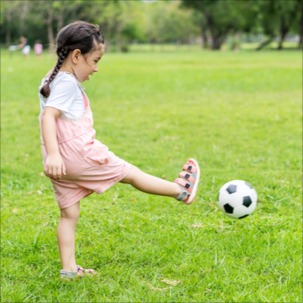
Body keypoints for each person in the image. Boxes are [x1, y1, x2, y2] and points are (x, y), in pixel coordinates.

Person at [39, 20, 200, 279]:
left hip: (58, 162)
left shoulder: (51, 77)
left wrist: (54, 156)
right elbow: (49, 116)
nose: (97, 69)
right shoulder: (67, 83)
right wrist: (57, 155)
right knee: (132, 174)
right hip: (78, 153)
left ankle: (69, 270)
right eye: (95, 60)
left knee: (69, 214)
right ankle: (180, 191)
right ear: (76, 55)